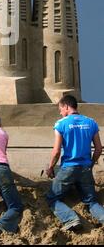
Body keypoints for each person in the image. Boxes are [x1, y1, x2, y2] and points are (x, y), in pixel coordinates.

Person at [46, 94, 104, 231]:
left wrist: (50, 167)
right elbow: (99, 149)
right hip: (85, 168)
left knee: (52, 198)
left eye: (60, 109)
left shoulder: (61, 123)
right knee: (91, 202)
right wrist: (91, 164)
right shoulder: (91, 122)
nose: (60, 113)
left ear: (66, 106)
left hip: (68, 168)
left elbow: (56, 152)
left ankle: (71, 219)